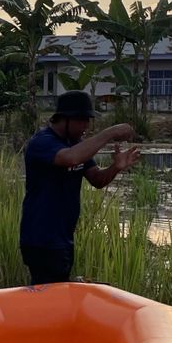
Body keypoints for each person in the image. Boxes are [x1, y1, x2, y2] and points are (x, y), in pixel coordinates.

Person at [19, 91, 140, 285]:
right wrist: (109, 133)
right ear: (64, 119)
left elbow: (97, 179)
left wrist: (116, 167)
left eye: (88, 121)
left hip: (64, 236)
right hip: (41, 237)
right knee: (51, 296)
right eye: (82, 120)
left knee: (57, 293)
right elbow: (69, 158)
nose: (86, 126)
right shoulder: (42, 142)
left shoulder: (76, 144)